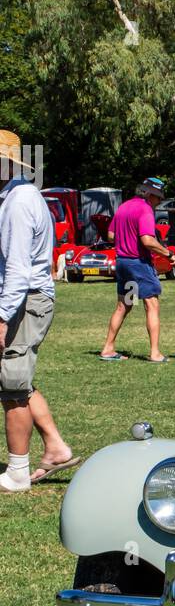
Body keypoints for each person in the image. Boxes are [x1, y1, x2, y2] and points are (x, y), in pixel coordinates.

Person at [0, 129, 78, 491]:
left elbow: (17, 269)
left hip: (25, 299)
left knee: (12, 382)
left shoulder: (18, 202)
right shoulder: (16, 196)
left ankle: (18, 472)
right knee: (18, 378)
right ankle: (56, 447)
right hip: (26, 297)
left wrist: (2, 317)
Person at [100, 177, 172, 363]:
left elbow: (110, 235)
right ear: (149, 194)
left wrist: (126, 239)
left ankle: (108, 349)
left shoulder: (124, 206)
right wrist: (169, 254)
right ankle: (155, 353)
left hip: (122, 263)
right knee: (152, 305)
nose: (159, 202)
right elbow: (148, 241)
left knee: (124, 305)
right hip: (138, 264)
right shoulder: (145, 209)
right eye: (158, 198)